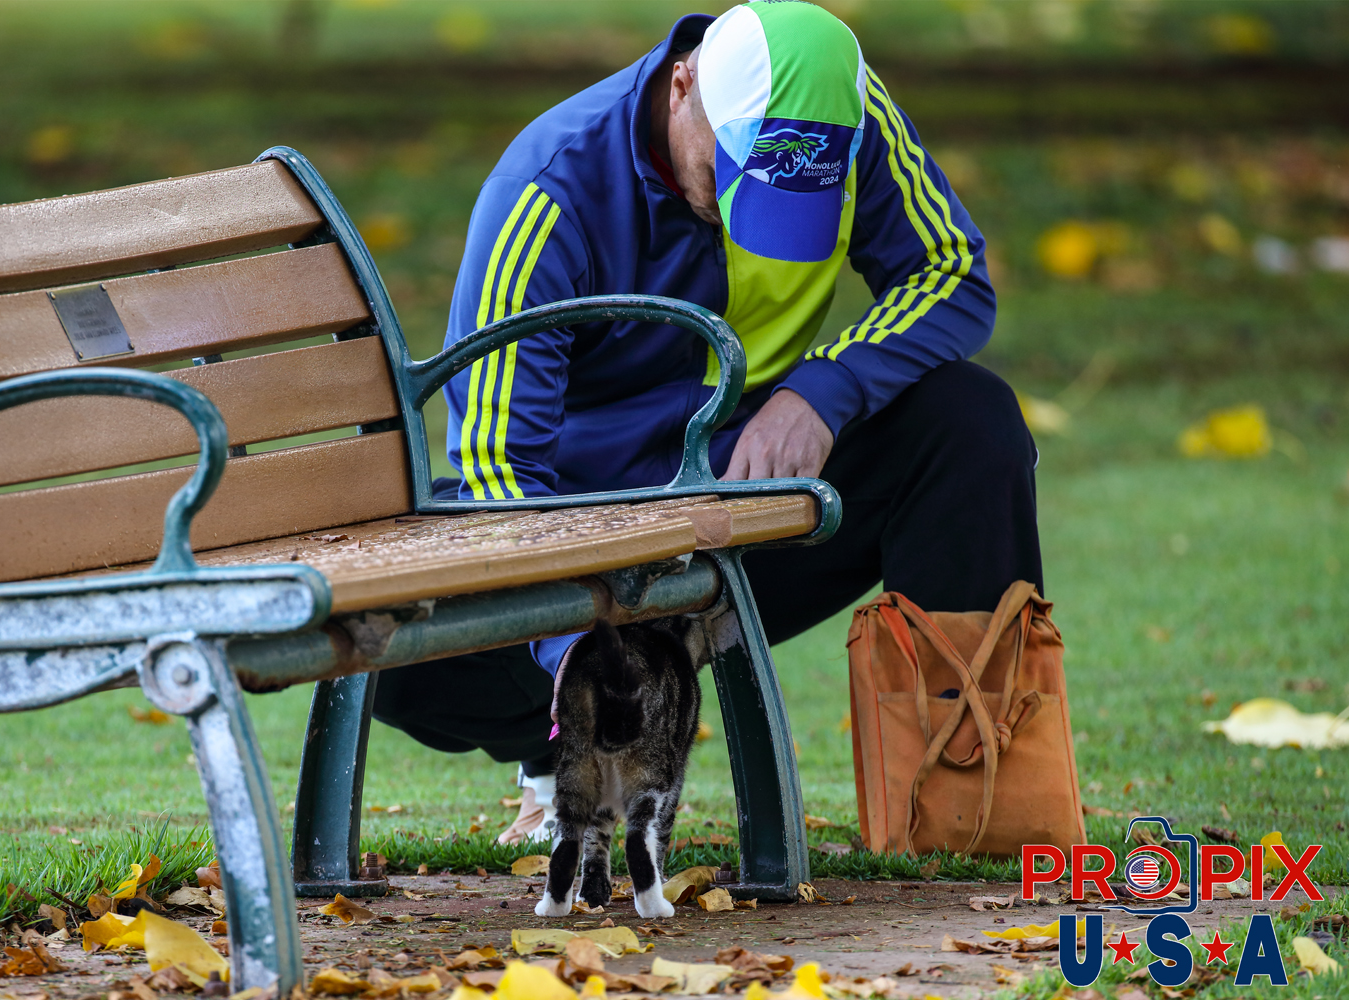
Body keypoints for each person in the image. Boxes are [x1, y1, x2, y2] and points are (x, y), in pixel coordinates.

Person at [371, 0, 1043, 842]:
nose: (737, 213)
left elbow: (949, 270)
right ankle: (558, 748)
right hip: (588, 543)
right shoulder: (547, 192)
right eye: (728, 175)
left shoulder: (842, 114)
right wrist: (576, 648)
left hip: (745, 502)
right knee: (399, 661)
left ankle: (969, 799)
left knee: (968, 420)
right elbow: (500, 471)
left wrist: (821, 394)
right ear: (682, 83)